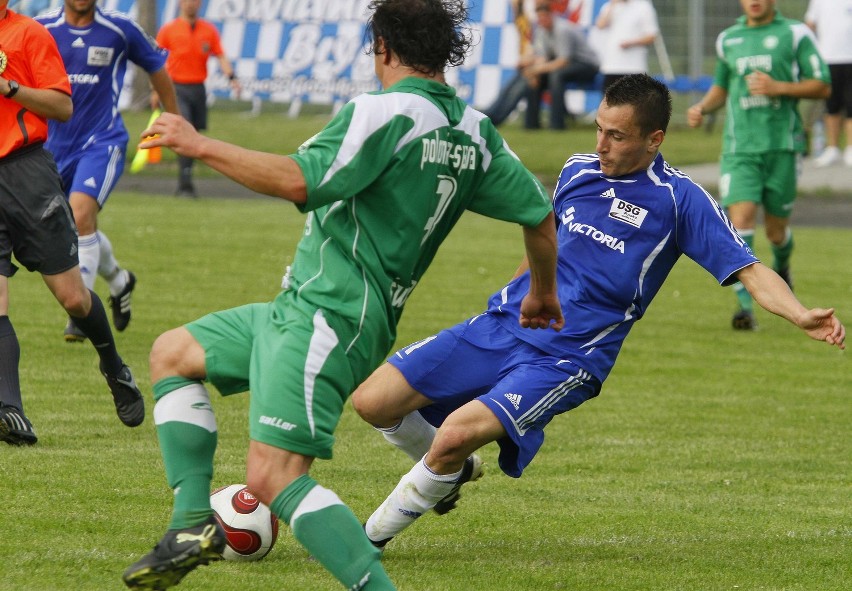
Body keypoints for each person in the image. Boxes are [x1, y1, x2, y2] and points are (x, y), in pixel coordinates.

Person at [121, 1, 563, 589]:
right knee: (173, 353)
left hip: (328, 315)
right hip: (316, 311)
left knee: (273, 475)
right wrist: (541, 292)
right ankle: (189, 525)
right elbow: (540, 216)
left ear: (381, 45)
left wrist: (198, 144)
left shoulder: (384, 112)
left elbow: (298, 178)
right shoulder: (474, 133)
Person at [351, 74, 847, 550]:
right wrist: (524, 287)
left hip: (568, 356)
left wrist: (800, 313)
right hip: (504, 324)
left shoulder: (681, 201)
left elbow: (750, 269)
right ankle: (450, 472)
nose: (602, 144)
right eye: (599, 129)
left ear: (654, 139)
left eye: (617, 135)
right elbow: (544, 233)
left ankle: (365, 540)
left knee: (456, 433)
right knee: (373, 402)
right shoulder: (577, 169)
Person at [0, 0, 146, 445]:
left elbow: (61, 106)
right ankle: (10, 410)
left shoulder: (27, 33)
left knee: (74, 298)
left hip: (27, 174)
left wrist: (9, 88)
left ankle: (113, 365)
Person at [36, 0, 179, 343]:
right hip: (52, 148)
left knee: (81, 214)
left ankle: (80, 313)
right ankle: (119, 281)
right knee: (70, 227)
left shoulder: (120, 28)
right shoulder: (41, 29)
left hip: (102, 141)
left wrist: (175, 122)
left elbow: (157, 67)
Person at [686, 0, 831, 331]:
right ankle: (745, 307)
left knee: (776, 231)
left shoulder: (794, 34)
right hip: (740, 149)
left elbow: (822, 84)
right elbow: (722, 87)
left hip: (783, 147)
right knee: (741, 220)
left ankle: (783, 267)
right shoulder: (729, 39)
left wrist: (779, 87)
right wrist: (703, 108)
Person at [155, 0, 240, 198]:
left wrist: (232, 78)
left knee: (195, 133)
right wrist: (155, 90)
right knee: (185, 128)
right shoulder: (169, 30)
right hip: (175, 88)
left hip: (197, 89)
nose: (190, 5)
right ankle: (184, 184)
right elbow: (156, 62)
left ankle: (187, 178)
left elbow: (220, 55)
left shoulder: (208, 30)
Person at [483, 1, 599, 129]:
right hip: (563, 65)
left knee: (556, 75)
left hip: (586, 65)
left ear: (551, 15)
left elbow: (563, 61)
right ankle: (501, 117)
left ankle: (556, 124)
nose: (542, 20)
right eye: (539, 17)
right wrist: (533, 71)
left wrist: (536, 70)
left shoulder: (562, 29)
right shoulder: (542, 29)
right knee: (525, 76)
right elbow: (542, 58)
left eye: (544, 17)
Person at [805, 0, 852, 168]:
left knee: (850, 105)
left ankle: (850, 148)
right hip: (827, 57)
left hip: (850, 58)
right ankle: (832, 148)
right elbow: (810, 24)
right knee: (831, 105)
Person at [594, 0, 659, 92]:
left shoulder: (643, 7)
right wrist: (612, 6)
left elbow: (651, 36)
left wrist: (631, 43)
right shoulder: (609, 6)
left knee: (633, 104)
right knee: (609, 104)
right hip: (611, 67)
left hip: (634, 68)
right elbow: (600, 25)